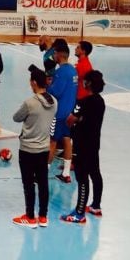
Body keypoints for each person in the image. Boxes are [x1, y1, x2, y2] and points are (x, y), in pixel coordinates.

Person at [11, 69, 57, 228]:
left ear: (35, 83)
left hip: (27, 149)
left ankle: (30, 217)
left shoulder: (30, 103)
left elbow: (16, 117)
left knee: (28, 183)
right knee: (43, 182)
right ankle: (43, 216)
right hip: (44, 148)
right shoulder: (54, 102)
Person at [62, 70, 106, 224]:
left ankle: (79, 213)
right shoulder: (100, 101)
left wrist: (76, 120)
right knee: (95, 173)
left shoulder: (84, 102)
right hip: (94, 144)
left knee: (82, 177)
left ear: (88, 83)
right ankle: (96, 206)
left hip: (82, 145)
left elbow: (70, 120)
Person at [46, 42, 78, 183]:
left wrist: (47, 85)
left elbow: (55, 92)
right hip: (69, 113)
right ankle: (66, 173)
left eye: (54, 53)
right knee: (67, 140)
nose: (53, 56)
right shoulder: (73, 71)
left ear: (59, 54)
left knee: (52, 142)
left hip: (58, 114)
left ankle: (43, 171)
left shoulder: (60, 72)